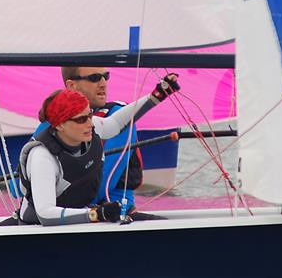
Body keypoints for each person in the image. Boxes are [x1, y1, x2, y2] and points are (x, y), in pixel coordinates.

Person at [18, 73, 178, 226]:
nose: (89, 123)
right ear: (60, 125)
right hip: (38, 229)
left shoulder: (89, 126)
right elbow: (45, 214)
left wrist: (157, 96)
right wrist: (96, 214)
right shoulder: (43, 157)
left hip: (82, 221)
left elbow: (115, 124)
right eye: (81, 119)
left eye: (89, 116)